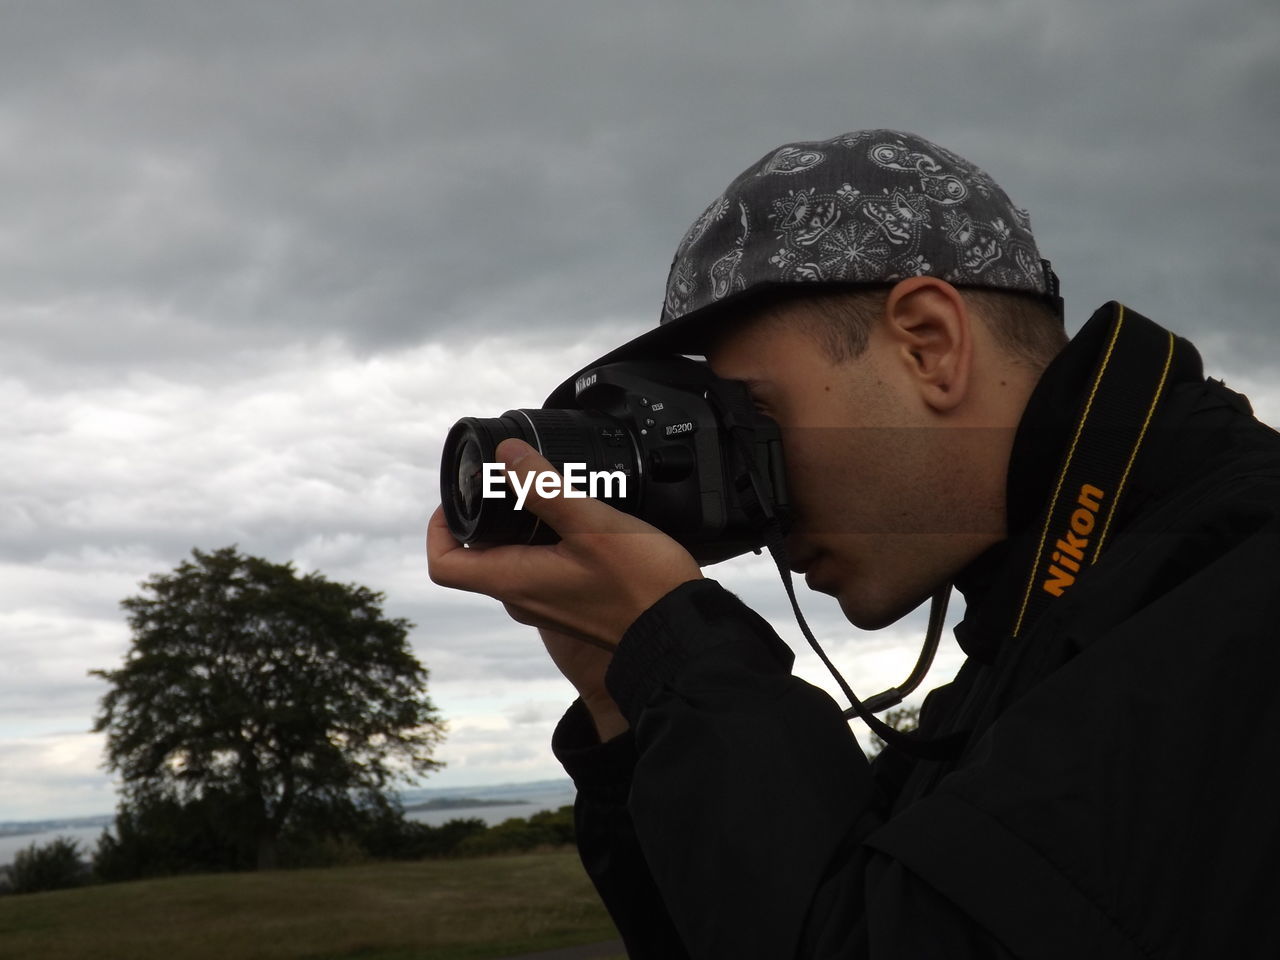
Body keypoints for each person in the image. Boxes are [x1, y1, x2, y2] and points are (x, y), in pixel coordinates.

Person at [427, 130, 1280, 958]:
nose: (758, 494)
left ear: (929, 346)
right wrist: (628, 703)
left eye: (756, 415)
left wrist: (688, 662)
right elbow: (829, 910)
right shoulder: (1054, 626)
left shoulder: (1233, 589)